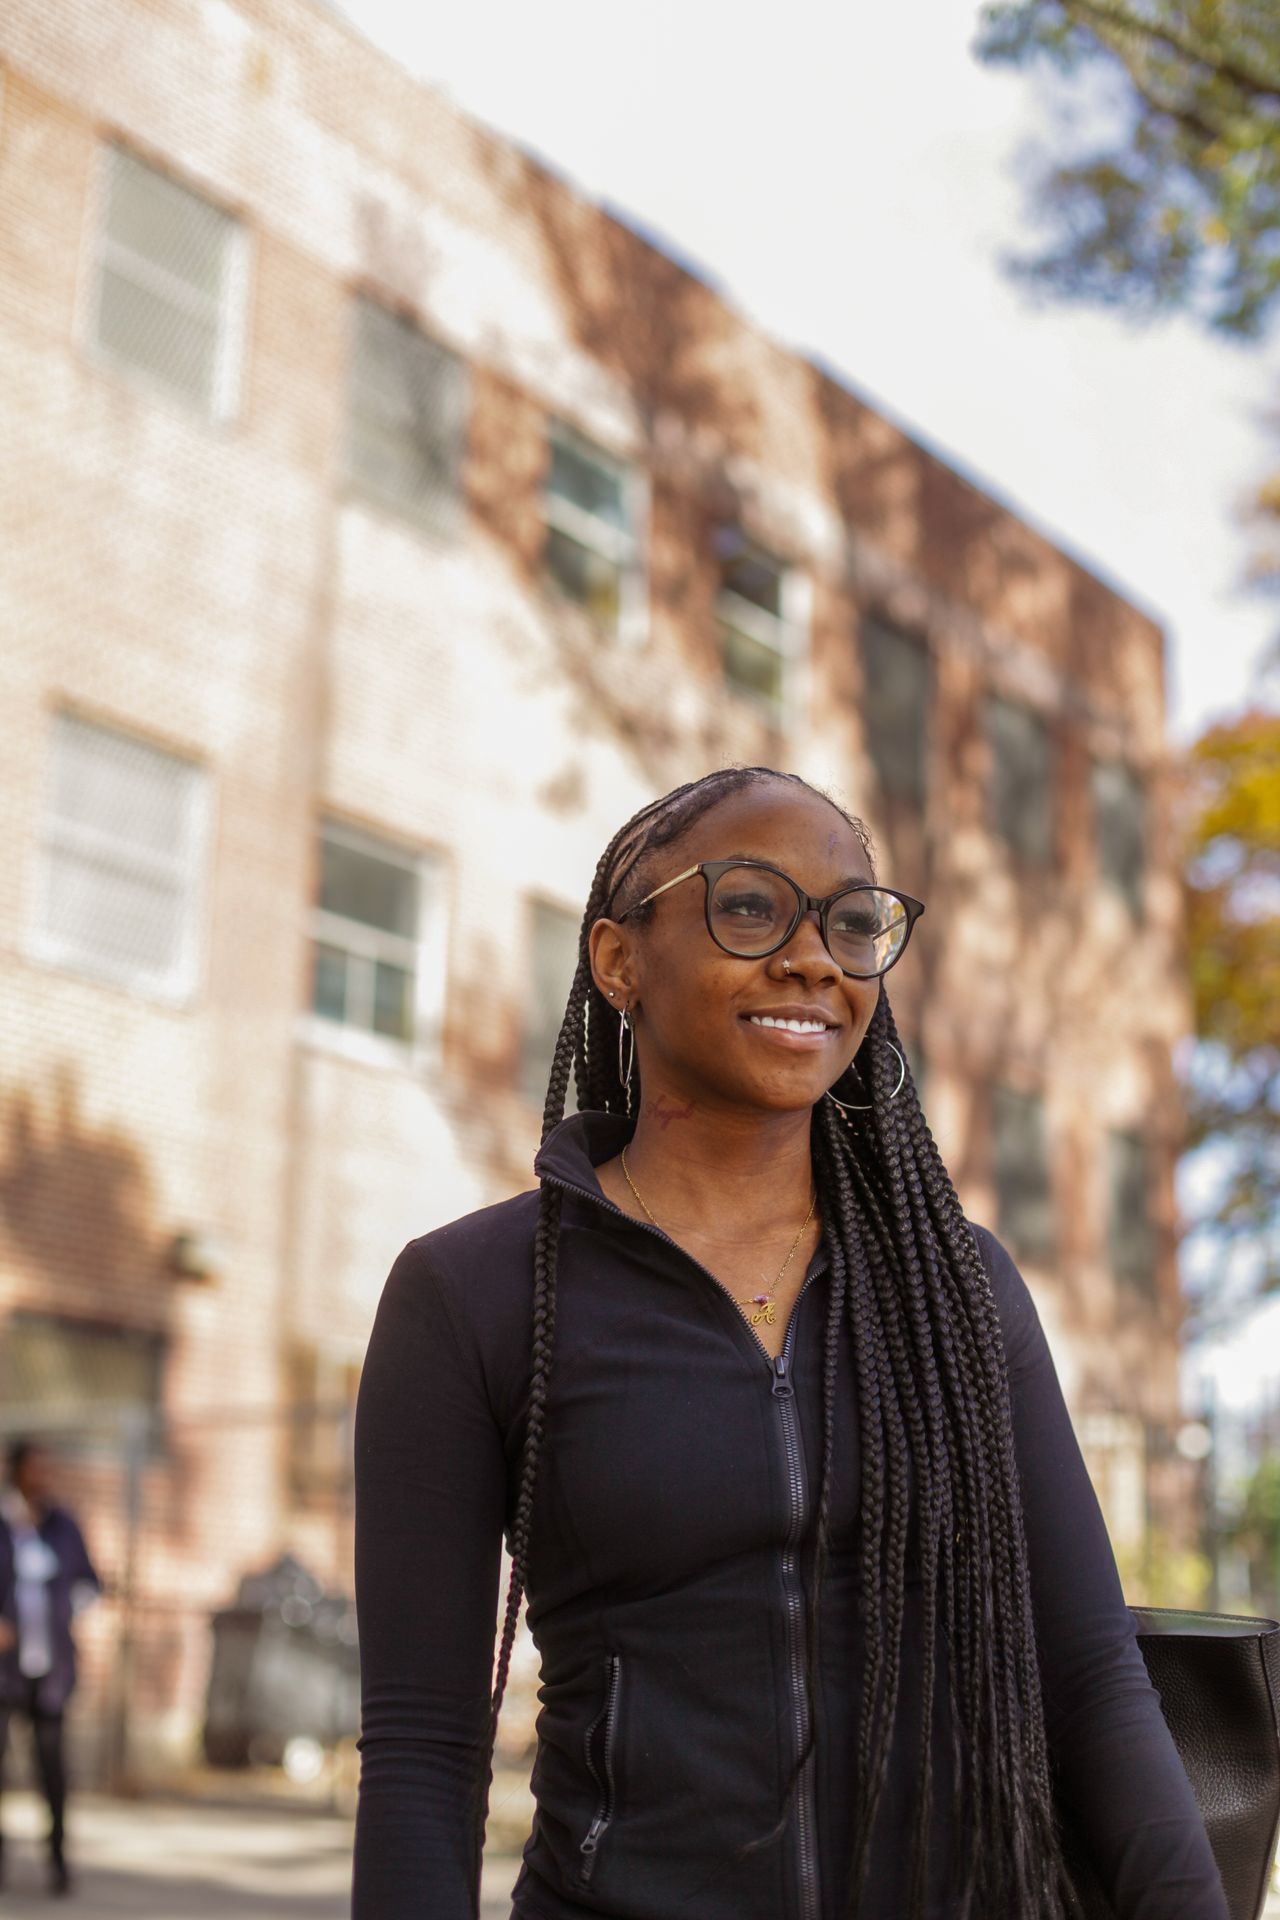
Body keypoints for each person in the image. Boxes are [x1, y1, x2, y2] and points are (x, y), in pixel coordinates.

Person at [351, 765, 1228, 1920]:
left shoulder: (955, 1288)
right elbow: (422, 1751)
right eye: (750, 905)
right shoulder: (472, 1294)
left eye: (852, 923)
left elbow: (1091, 1678)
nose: (813, 956)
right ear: (618, 959)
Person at [0, 1439, 102, 1896]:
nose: (41, 1477)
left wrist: (69, 1610)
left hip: (51, 1671)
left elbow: (89, 1582)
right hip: (5, 1673)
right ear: (15, 1471)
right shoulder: (3, 1524)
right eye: (33, 1468)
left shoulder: (63, 1525)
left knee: (53, 1771)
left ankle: (58, 1862)